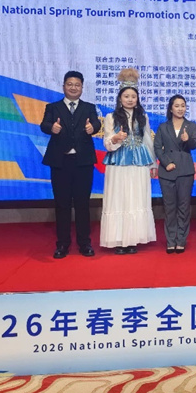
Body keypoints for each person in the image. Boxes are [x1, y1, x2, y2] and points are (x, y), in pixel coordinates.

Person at [40, 70, 101, 259]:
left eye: (77, 85)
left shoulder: (89, 107)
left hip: (83, 162)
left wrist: (93, 128)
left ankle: (85, 243)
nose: (73, 88)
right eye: (70, 84)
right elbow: (43, 125)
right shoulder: (53, 107)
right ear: (64, 86)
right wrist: (52, 127)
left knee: (83, 204)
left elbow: (97, 124)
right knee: (62, 204)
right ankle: (62, 244)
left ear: (82, 88)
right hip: (60, 162)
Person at [100, 68, 157, 255]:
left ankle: (133, 239)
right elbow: (107, 142)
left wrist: (153, 164)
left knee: (136, 198)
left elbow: (147, 140)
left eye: (133, 96)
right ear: (120, 98)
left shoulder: (143, 117)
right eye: (126, 96)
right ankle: (119, 240)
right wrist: (116, 138)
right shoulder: (111, 117)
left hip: (138, 164)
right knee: (119, 199)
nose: (130, 99)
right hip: (119, 162)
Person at [154, 94, 196, 254]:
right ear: (171, 108)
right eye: (177, 106)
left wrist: (188, 140)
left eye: (183, 106)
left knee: (184, 207)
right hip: (167, 171)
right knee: (169, 208)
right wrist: (166, 163)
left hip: (185, 171)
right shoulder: (163, 127)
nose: (180, 109)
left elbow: (195, 144)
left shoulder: (191, 126)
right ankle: (170, 241)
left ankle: (180, 240)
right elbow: (157, 147)